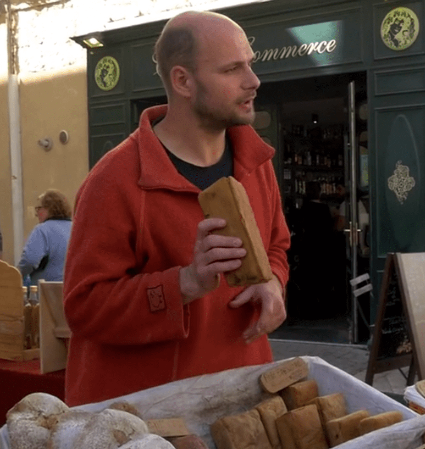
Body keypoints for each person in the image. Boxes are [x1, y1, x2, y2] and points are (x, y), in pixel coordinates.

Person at [62, 11, 290, 406]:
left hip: (243, 398)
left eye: (249, 65)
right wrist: (184, 283)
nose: (253, 81)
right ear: (183, 80)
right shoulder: (114, 179)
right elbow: (84, 308)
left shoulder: (257, 162)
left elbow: (277, 247)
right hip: (148, 420)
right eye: (233, 69)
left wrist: (273, 283)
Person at [17, 189, 72, 286]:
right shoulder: (76, 228)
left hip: (49, 292)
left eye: (38, 208)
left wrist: (16, 275)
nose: (36, 213)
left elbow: (30, 260)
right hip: (73, 290)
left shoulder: (42, 230)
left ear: (48, 208)